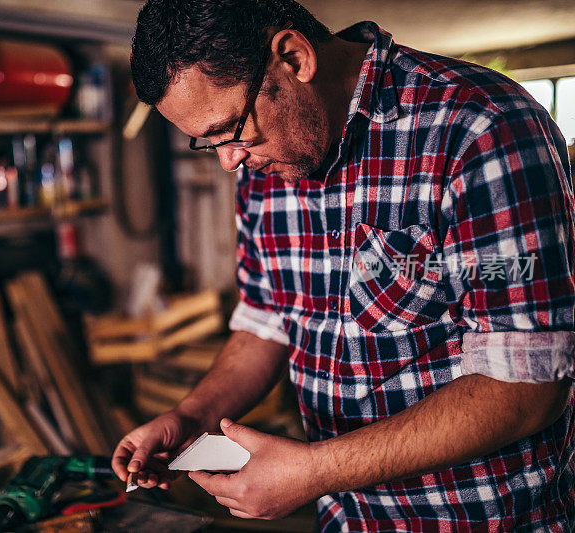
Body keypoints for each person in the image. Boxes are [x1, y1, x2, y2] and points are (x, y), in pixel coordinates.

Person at [111, 0, 575, 530]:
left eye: (230, 129)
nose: (228, 160)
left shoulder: (481, 128)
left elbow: (529, 386)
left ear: (293, 58)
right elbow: (267, 322)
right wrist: (190, 418)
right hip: (349, 519)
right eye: (207, 142)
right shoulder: (262, 163)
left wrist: (314, 470)